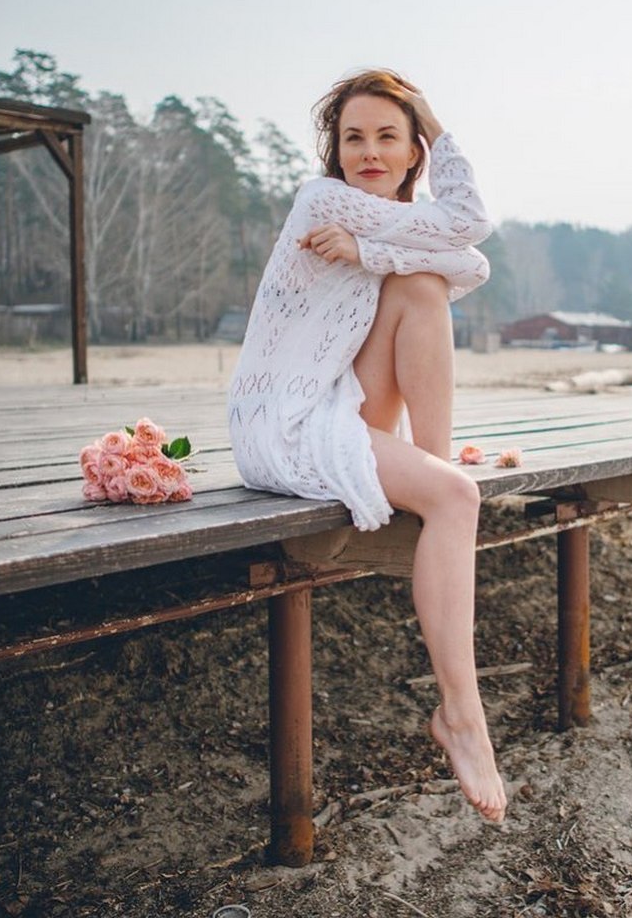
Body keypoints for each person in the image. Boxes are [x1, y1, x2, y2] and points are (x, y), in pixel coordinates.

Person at [228, 69, 507, 822]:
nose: (370, 153)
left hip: (338, 398)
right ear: (337, 152)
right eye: (354, 138)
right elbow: (471, 225)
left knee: (421, 284)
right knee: (457, 499)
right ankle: (461, 715)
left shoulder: (384, 223)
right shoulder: (322, 201)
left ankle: (432, 461)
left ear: (416, 152)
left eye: (390, 137)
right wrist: (373, 244)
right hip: (284, 420)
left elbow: (471, 260)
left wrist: (372, 252)